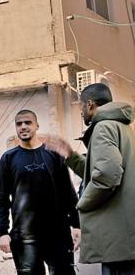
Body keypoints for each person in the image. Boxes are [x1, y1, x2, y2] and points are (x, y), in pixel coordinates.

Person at [46, 83, 135, 275]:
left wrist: (83, 204)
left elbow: (108, 175)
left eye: (81, 107)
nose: (81, 113)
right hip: (124, 234)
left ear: (90, 105)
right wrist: (70, 156)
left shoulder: (103, 127)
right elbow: (99, 169)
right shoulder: (122, 127)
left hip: (117, 237)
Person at [0, 109, 80, 275]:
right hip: (25, 238)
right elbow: (1, 197)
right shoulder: (8, 158)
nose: (23, 127)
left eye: (28, 122)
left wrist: (76, 224)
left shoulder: (54, 155)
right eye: (19, 124)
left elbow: (67, 191)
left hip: (58, 235)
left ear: (36, 125)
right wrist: (3, 232)